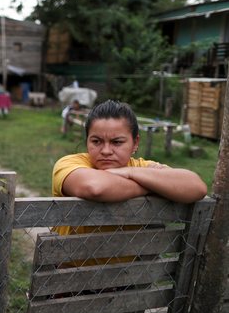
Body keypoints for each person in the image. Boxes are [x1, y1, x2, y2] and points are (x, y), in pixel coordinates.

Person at [52, 99, 207, 243]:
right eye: (96, 141)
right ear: (87, 141)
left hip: (126, 271)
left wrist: (130, 173)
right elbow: (95, 188)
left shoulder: (140, 167)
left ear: (135, 143)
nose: (106, 151)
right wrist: (152, 186)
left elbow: (197, 187)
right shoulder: (69, 164)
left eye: (117, 142)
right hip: (75, 269)